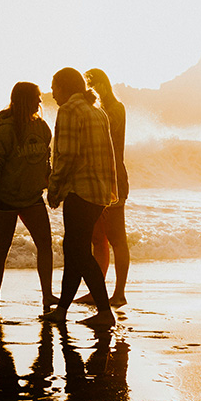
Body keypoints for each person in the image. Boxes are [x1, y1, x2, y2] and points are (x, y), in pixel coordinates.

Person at [41, 68, 118, 328]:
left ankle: (105, 312)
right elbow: (109, 155)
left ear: (65, 87)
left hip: (80, 191)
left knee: (78, 252)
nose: (52, 93)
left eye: (54, 86)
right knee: (74, 249)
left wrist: (54, 189)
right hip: (98, 192)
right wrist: (110, 191)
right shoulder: (97, 111)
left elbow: (67, 155)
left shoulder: (69, 110)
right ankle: (62, 309)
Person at [0, 82, 58, 309]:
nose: (39, 101)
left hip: (32, 197)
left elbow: (45, 160)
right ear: (25, 99)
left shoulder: (42, 128)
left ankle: (47, 295)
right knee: (2, 247)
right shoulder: (5, 130)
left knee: (45, 244)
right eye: (36, 97)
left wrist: (50, 185)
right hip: (5, 197)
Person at [79, 68, 130, 307]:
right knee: (98, 239)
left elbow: (105, 131)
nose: (88, 90)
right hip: (94, 179)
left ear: (101, 84)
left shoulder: (115, 108)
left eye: (90, 85)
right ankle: (96, 291)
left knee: (117, 238)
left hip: (114, 179)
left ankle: (119, 293)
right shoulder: (95, 109)